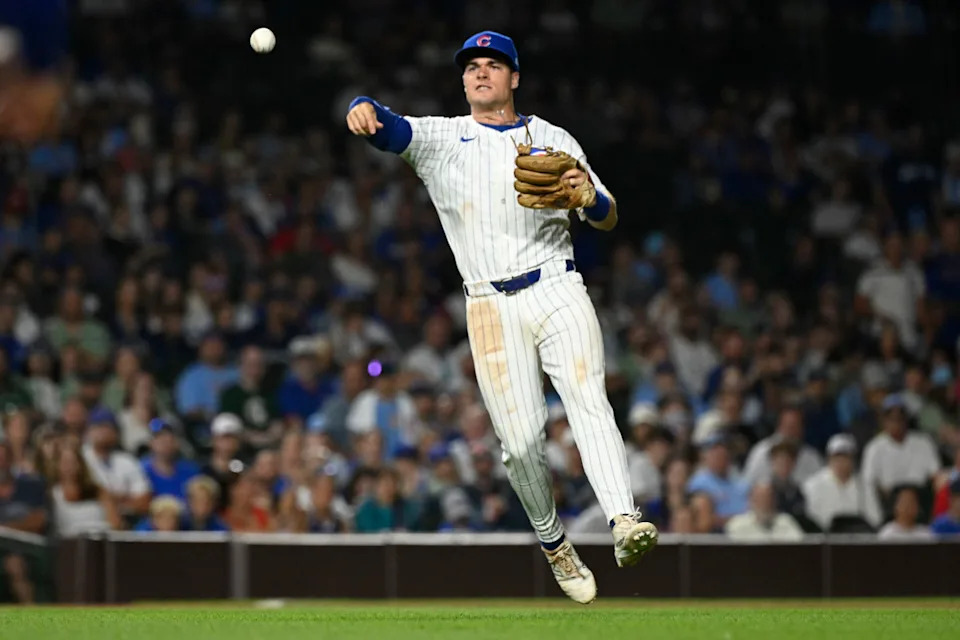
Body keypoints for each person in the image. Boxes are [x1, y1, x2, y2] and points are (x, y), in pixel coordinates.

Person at [345, 29, 655, 604]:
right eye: (472, 66)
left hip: (557, 282)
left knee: (588, 396)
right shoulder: (444, 138)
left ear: (515, 77)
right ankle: (555, 543)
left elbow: (608, 214)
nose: (481, 72)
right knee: (521, 443)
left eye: (494, 64)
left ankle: (623, 519)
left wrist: (587, 197)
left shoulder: (554, 137)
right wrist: (361, 109)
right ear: (463, 80)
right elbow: (391, 126)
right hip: (489, 303)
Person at [861, 393, 940, 515]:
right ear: (884, 421)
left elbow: (936, 475)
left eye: (900, 418)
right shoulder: (874, 447)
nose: (896, 423)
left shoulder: (923, 442)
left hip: (921, 500)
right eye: (891, 418)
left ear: (906, 420)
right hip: (889, 502)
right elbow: (869, 482)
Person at [802, 434, 882, 532]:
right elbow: (811, 520)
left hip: (858, 539)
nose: (841, 463)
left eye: (846, 458)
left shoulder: (865, 485)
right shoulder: (813, 485)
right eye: (837, 458)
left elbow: (875, 519)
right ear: (829, 459)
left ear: (853, 460)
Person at [82, 408, 151, 519]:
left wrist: (109, 500)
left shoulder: (127, 461)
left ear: (116, 433)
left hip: (126, 521)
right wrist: (124, 498)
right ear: (89, 431)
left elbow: (144, 501)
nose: (103, 431)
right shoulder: (81, 458)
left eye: (108, 427)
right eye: (98, 426)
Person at [0, 441, 46, 603]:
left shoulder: (30, 485)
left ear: (12, 461)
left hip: (25, 546)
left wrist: (6, 528)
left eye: (3, 459)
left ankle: (31, 613)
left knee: (15, 563)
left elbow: (39, 520)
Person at [49, 442, 122, 537]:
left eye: (73, 462)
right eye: (65, 462)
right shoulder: (52, 494)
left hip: (100, 542)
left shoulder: (98, 491)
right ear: (56, 465)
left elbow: (115, 523)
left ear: (80, 464)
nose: (69, 467)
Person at [742, 406, 823, 486]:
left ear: (802, 429)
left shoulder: (812, 457)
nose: (791, 432)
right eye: (788, 426)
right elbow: (748, 484)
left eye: (796, 426)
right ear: (779, 426)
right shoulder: (761, 451)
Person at [141, 419, 200, 501]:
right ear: (150, 443)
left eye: (170, 439)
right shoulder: (141, 472)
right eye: (160, 438)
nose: (165, 443)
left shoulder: (190, 471)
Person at [725, 483, 804, 541]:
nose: (765, 503)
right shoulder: (737, 524)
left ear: (774, 501)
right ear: (751, 501)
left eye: (768, 498)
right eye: (760, 498)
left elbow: (799, 547)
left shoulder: (786, 521)